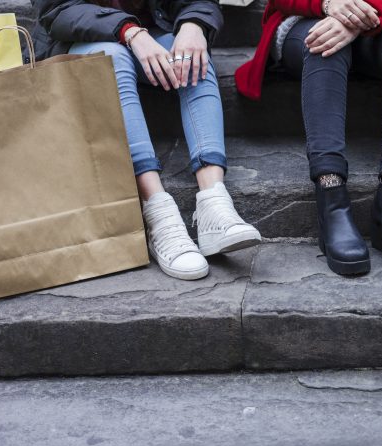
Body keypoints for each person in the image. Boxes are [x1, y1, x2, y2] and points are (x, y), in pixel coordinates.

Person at [33, 0, 262, 281]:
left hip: (153, 30)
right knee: (112, 57)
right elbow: (57, 10)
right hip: (79, 38)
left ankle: (214, 202)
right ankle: (157, 213)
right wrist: (130, 31)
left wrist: (194, 24)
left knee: (191, 56)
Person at [235, 0, 382, 275]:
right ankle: (331, 197)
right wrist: (329, 5)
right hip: (306, 20)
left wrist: (357, 16)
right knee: (323, 41)